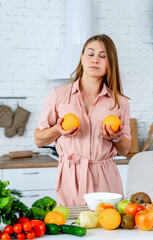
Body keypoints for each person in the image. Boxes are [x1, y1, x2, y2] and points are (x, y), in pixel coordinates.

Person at [34, 34, 131, 206]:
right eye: (90, 54)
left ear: (111, 64)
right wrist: (57, 129)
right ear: (82, 58)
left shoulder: (119, 102)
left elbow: (125, 149)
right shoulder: (58, 95)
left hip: (105, 178)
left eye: (103, 56)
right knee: (72, 226)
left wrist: (114, 137)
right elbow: (38, 139)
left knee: (108, 228)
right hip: (71, 177)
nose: (95, 60)